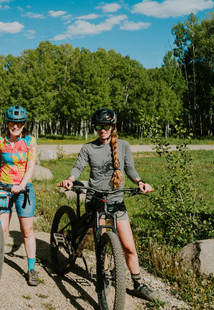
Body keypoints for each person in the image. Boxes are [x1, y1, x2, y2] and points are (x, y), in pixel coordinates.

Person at [57, 108, 157, 301]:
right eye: (98, 127)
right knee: (102, 242)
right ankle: (104, 277)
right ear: (95, 128)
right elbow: (79, 167)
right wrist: (70, 179)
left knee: (129, 246)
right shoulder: (88, 148)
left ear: (113, 127)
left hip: (117, 202)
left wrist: (140, 182)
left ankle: (138, 284)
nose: (102, 130)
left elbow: (130, 168)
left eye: (106, 126)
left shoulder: (123, 145)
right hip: (96, 201)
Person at [0, 105, 40, 286]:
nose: (15, 126)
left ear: (24, 124)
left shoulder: (29, 141)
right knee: (1, 230)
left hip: (23, 190)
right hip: (4, 189)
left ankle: (31, 268)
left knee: (27, 231)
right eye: (12, 122)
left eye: (19, 123)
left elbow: (31, 167)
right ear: (7, 123)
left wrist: (21, 185)